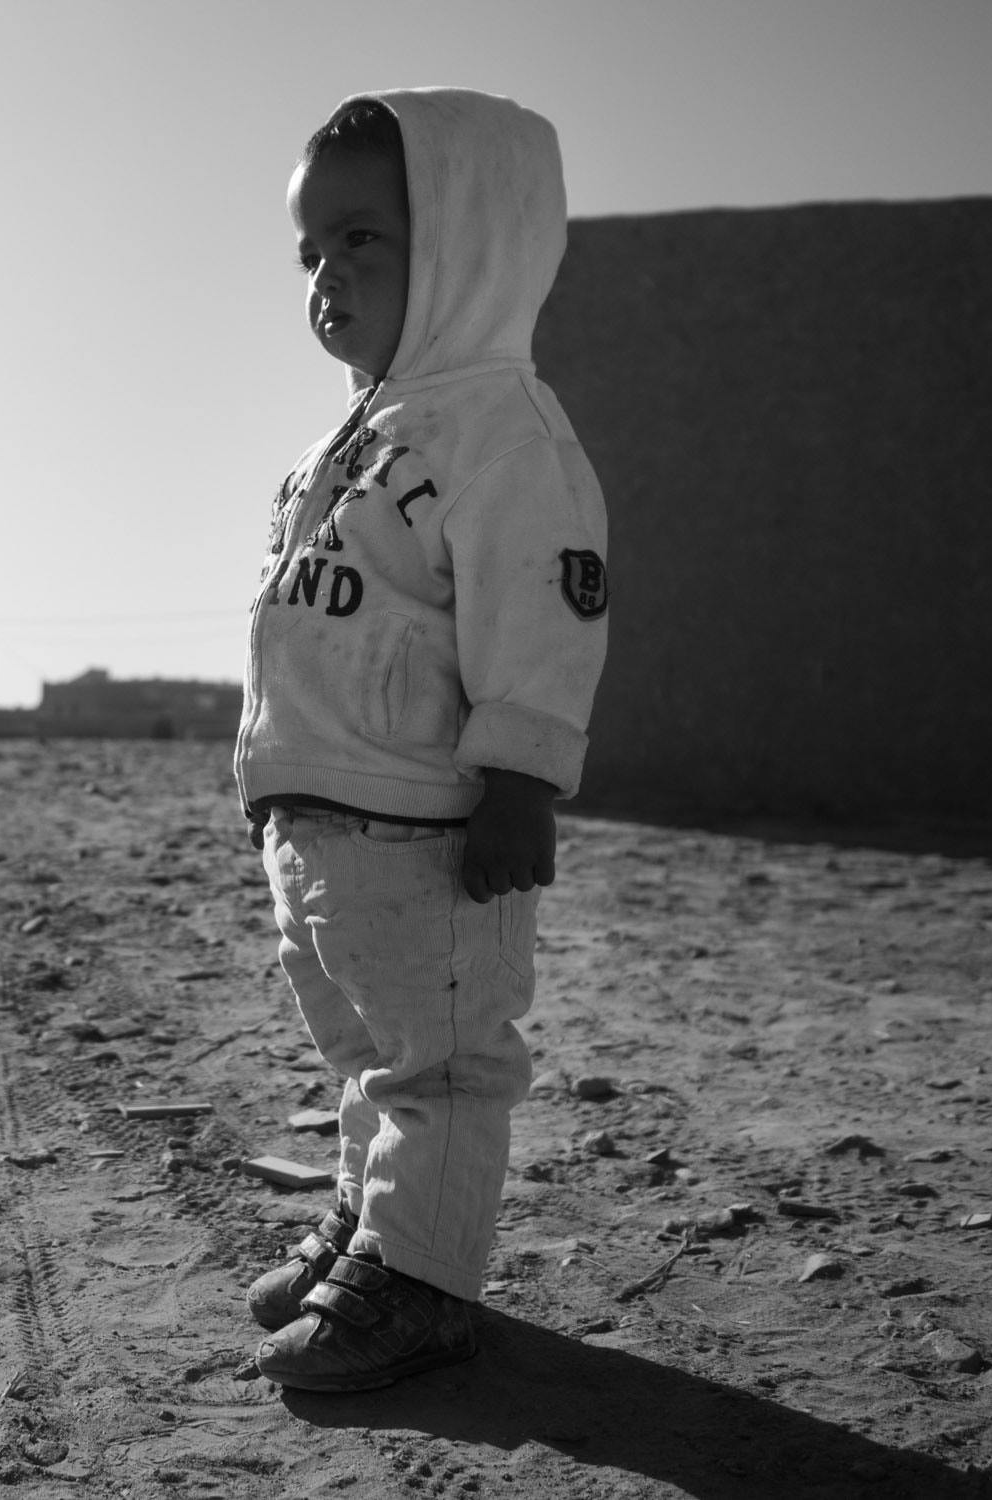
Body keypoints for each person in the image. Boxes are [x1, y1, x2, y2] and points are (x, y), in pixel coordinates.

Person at [234, 87, 609, 1392]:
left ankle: (425, 1279)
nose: (327, 276)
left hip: (431, 829)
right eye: (312, 252)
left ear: (466, 242)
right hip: (326, 821)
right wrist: (273, 774)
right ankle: (372, 1221)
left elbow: (543, 619)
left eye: (361, 241)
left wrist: (519, 781)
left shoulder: (507, 435)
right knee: (363, 1054)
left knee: (439, 1067)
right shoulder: (355, 438)